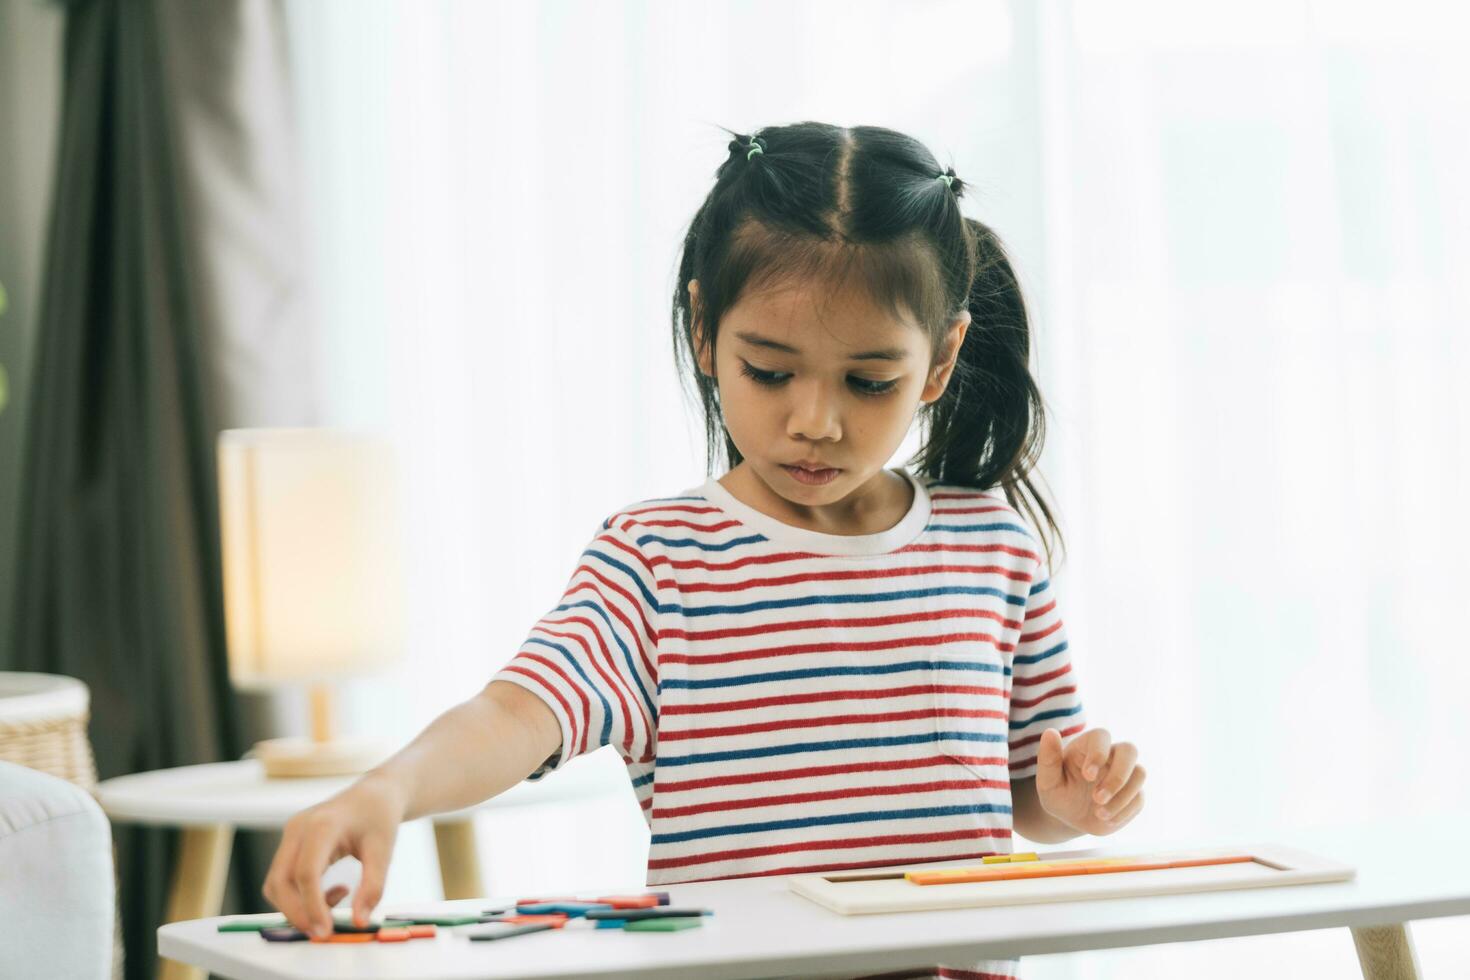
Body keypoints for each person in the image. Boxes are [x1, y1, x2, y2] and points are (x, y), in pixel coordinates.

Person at [264, 122, 1146, 980]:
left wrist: (1073, 804)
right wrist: (388, 789)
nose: (815, 421)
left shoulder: (989, 545)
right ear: (703, 331)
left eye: (869, 382)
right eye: (770, 371)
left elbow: (1027, 791)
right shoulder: (659, 560)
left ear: (942, 359)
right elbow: (515, 715)